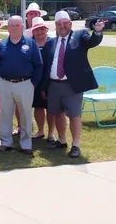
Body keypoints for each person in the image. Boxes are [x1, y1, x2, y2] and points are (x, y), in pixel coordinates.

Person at [42, 10, 103, 158]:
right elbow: (46, 66)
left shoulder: (80, 36)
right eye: (59, 24)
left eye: (65, 23)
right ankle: (61, 140)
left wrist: (97, 32)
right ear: (55, 26)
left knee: (74, 115)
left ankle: (75, 145)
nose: (62, 26)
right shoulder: (50, 42)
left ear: (70, 24)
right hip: (53, 85)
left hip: (72, 85)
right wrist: (44, 87)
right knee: (57, 114)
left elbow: (92, 41)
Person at [0, 16, 43, 155]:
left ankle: (26, 144)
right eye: (11, 25)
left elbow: (38, 65)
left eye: (17, 25)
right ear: (7, 28)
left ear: (22, 27)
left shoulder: (31, 44)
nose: (14, 28)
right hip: (5, 83)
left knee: (25, 114)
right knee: (5, 114)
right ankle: (6, 142)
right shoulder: (1, 44)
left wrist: (33, 83)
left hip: (25, 83)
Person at [29, 17, 55, 142]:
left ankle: (51, 133)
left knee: (51, 108)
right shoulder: (29, 43)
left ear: (46, 29)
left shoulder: (53, 42)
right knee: (38, 107)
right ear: (33, 31)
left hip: (51, 80)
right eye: (37, 30)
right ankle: (40, 131)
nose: (39, 32)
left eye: (42, 29)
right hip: (35, 81)